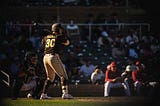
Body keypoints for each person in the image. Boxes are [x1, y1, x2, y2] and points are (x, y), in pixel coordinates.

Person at [40, 23, 73, 99]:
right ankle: (65, 94)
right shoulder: (59, 36)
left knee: (50, 78)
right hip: (53, 56)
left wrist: (50, 36)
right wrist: (64, 36)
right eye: (60, 29)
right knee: (63, 75)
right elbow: (67, 43)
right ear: (58, 29)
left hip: (45, 57)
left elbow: (43, 42)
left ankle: (43, 94)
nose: (62, 30)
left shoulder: (46, 37)